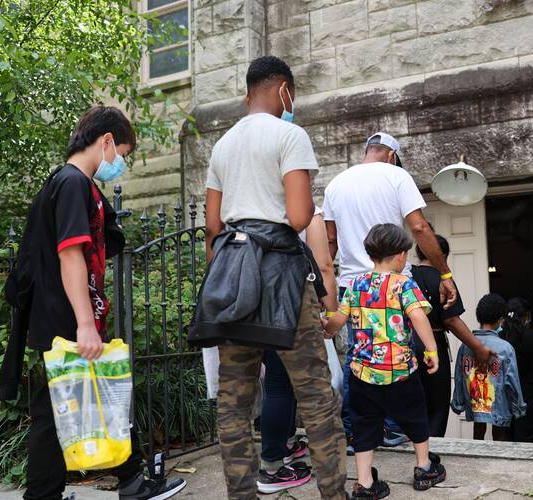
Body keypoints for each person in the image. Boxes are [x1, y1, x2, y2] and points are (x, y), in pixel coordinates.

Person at [0, 106, 186, 499]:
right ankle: (116, 485)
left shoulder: (73, 184)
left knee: (94, 397)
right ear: (105, 142)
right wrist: (84, 322)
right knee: (55, 413)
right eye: (121, 153)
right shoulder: (71, 183)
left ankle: (131, 481)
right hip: (65, 318)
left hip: (65, 313)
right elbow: (70, 254)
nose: (119, 164)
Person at [196, 56, 347, 499]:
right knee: (315, 395)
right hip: (281, 276)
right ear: (284, 90)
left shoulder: (222, 145)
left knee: (234, 402)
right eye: (292, 96)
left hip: (234, 275)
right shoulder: (289, 134)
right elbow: (300, 216)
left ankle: (241, 493)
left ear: (248, 93)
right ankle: (333, 494)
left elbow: (212, 226)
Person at [323, 132, 473, 450]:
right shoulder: (396, 175)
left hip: (353, 285)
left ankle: (354, 431)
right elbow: (419, 227)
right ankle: (391, 427)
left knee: (356, 358)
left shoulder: (335, 184)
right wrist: (444, 273)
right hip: (392, 284)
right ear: (392, 155)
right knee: (397, 353)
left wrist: (326, 293)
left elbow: (330, 242)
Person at [324, 224, 447, 498]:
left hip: (361, 372)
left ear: (370, 255)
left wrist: (327, 328)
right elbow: (418, 317)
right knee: (415, 415)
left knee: (363, 424)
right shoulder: (404, 284)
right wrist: (431, 350)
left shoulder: (356, 284)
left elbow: (339, 320)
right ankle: (424, 467)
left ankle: (366, 483)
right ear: (402, 255)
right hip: (399, 370)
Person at [256, 207, 340, 494]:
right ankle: (272, 467)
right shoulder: (308, 215)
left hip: (262, 309)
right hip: (293, 308)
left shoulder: (257, 214)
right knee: (291, 387)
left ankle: (286, 446)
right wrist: (331, 313)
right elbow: (323, 267)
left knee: (279, 384)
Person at [410, 235, 493, 437]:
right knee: (436, 407)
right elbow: (451, 320)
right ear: (443, 256)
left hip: (404, 343)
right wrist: (479, 347)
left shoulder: (406, 275)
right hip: (433, 344)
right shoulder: (442, 280)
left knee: (410, 403)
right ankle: (429, 456)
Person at [451, 294, 525, 442]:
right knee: (499, 436)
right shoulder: (505, 348)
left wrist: (457, 403)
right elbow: (512, 381)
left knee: (477, 432)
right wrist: (518, 408)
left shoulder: (465, 346)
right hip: (498, 406)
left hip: (474, 402)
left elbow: (459, 377)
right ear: (500, 320)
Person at [502, 298, 533, 443]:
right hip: (529, 396)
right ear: (526, 316)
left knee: (508, 437)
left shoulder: (502, 337)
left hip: (506, 396)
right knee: (529, 438)